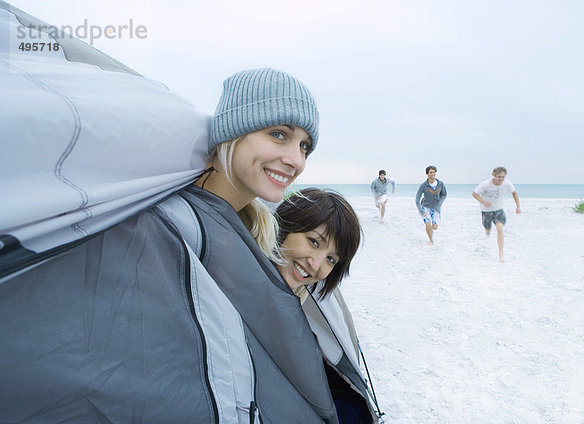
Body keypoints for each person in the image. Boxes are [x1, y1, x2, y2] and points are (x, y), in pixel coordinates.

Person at [1, 69, 339, 423]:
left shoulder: (254, 228)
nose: (296, 160)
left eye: (304, 146)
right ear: (234, 131)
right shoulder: (167, 217)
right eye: (278, 134)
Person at [274, 188, 377, 424]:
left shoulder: (311, 299)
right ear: (285, 227)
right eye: (313, 242)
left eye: (331, 259)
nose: (315, 264)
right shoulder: (238, 281)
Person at [472, 166, 521, 262]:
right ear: (494, 176)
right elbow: (474, 194)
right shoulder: (485, 184)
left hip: (499, 209)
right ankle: (487, 229)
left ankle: (500, 254)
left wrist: (518, 206)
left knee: (500, 229)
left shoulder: (507, 183)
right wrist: (483, 202)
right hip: (486, 210)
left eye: (503, 177)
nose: (501, 179)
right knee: (487, 228)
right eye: (499, 177)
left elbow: (514, 193)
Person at [415, 165, 447, 245]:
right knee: (427, 223)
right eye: (430, 172)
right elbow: (417, 199)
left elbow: (444, 195)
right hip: (425, 207)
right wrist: (421, 210)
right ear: (427, 174)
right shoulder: (423, 185)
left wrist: (440, 204)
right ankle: (431, 240)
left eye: (434, 172)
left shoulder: (440, 184)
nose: (432, 174)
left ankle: (431, 230)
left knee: (434, 227)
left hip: (436, 208)